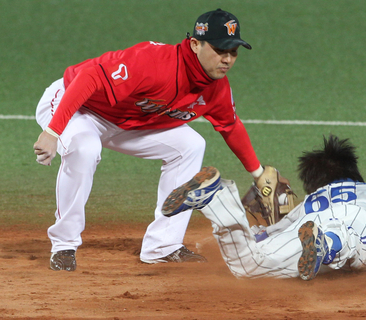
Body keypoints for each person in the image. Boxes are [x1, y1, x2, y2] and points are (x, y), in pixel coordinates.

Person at [33, 8, 269, 271]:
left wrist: (259, 174)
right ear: (195, 44)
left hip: (128, 122)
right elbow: (88, 77)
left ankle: (163, 246)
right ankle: (64, 244)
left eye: (233, 52)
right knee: (86, 147)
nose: (226, 59)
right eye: (219, 50)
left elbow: (230, 126)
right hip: (77, 105)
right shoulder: (154, 61)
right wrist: (53, 131)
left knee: (191, 145)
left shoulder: (216, 89)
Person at [161, 134, 366, 280]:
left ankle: (218, 198)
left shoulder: (309, 203)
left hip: (308, 227)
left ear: (314, 184)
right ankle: (328, 243)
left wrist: (257, 235)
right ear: (354, 173)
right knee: (363, 253)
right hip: (356, 228)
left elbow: (270, 234)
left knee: (249, 266)